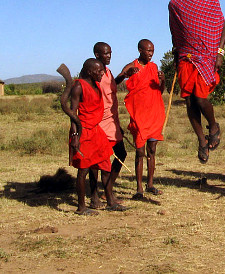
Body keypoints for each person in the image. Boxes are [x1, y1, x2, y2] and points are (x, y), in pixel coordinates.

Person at [168, 0, 225, 163]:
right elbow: (175, 31)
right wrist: (176, 53)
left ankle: (214, 125)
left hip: (208, 56)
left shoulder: (211, 0)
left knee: (201, 98)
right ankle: (202, 140)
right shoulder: (175, 4)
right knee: (190, 101)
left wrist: (220, 52)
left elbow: (222, 26)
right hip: (186, 57)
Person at [64, 58, 115, 215]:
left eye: (103, 71)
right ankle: (81, 207)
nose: (102, 74)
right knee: (83, 170)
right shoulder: (78, 86)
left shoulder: (97, 85)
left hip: (96, 132)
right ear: (89, 71)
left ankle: (111, 201)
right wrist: (75, 137)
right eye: (99, 71)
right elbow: (73, 114)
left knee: (106, 166)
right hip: (83, 131)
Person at [120, 39, 166, 200]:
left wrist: (164, 79)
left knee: (152, 150)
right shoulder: (131, 66)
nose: (151, 54)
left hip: (154, 113)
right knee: (140, 151)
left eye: (152, 51)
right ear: (140, 50)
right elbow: (116, 81)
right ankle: (139, 187)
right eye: (148, 51)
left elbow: (160, 90)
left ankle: (150, 184)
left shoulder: (154, 67)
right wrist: (126, 74)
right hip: (139, 115)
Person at [91, 42, 131, 211]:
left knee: (121, 153)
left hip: (112, 120)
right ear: (97, 54)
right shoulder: (94, 73)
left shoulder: (107, 72)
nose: (109, 56)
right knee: (98, 160)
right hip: (99, 122)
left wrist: (123, 76)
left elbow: (110, 86)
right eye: (105, 53)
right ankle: (96, 196)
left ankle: (108, 190)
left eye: (110, 53)